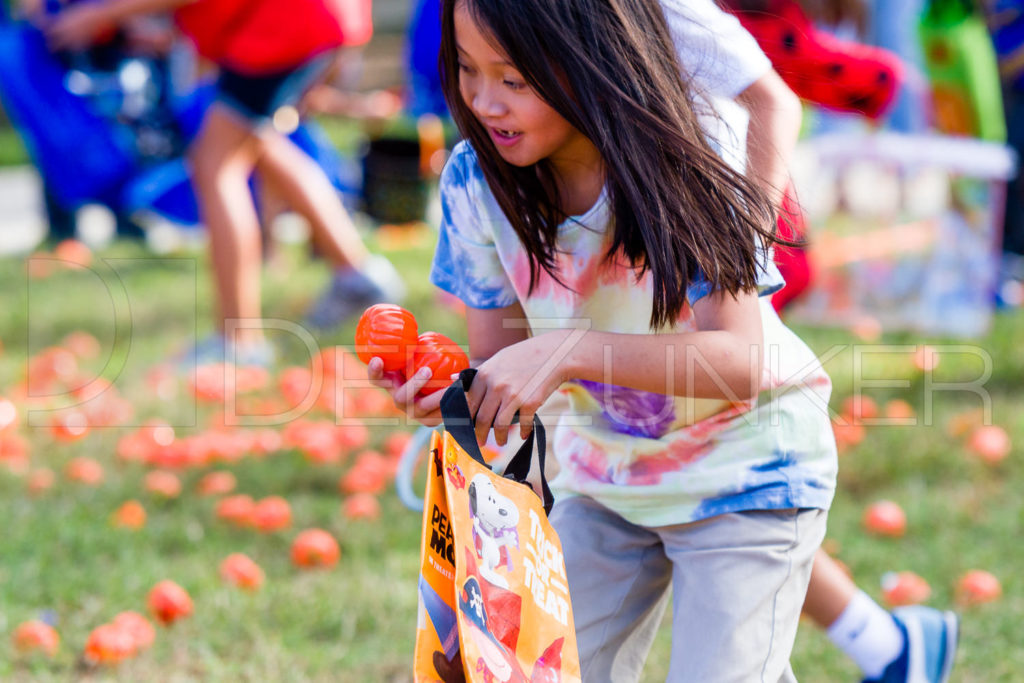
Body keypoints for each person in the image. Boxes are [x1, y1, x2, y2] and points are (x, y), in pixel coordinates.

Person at [372, 0, 836, 679]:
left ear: (592, 60)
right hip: (606, 485)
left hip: (749, 474)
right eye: (468, 70)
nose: (483, 100)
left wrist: (569, 351)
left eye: (514, 79)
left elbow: (742, 361)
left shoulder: (686, 156)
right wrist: (457, 392)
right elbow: (504, 367)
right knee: (532, 668)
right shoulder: (477, 183)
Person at [46, 0, 404, 365]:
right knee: (259, 141)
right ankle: (357, 275)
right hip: (310, 17)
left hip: (286, 21)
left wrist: (101, 14)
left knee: (216, 164)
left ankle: (239, 342)